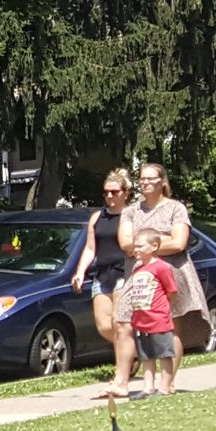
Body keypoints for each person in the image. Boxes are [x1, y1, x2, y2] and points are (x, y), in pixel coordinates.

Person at [118, 162, 208, 383]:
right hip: (138, 277)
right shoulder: (130, 212)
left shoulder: (176, 209)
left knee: (171, 327)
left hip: (171, 273)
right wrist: (161, 240)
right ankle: (126, 381)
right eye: (142, 178)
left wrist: (144, 245)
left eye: (151, 178)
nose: (145, 182)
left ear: (162, 181)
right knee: (126, 324)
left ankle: (167, 382)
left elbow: (179, 243)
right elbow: (125, 243)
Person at [72, 169, 135, 396]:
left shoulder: (131, 216)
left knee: (119, 324)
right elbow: (90, 248)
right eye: (106, 192)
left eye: (114, 192)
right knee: (104, 326)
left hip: (124, 273)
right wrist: (80, 272)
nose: (109, 196)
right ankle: (133, 352)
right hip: (102, 274)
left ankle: (120, 375)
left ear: (125, 193)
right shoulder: (98, 217)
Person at [121, 231, 180, 398]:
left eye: (140, 246)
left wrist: (161, 309)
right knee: (146, 355)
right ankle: (148, 388)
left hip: (158, 319)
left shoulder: (161, 267)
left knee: (164, 354)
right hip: (140, 320)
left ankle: (164, 388)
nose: (136, 249)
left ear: (154, 246)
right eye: (135, 246)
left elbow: (171, 291)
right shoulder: (137, 269)